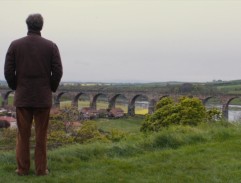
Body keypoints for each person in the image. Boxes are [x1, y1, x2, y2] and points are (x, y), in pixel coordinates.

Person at [4, 13, 63, 176]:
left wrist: (16, 86)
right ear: (41, 26)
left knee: (23, 136)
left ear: (27, 25)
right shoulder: (51, 46)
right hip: (43, 98)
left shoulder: (15, 45)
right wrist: (49, 87)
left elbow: (8, 71)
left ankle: (22, 169)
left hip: (23, 97)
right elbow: (58, 71)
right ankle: (41, 170)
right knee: (41, 136)